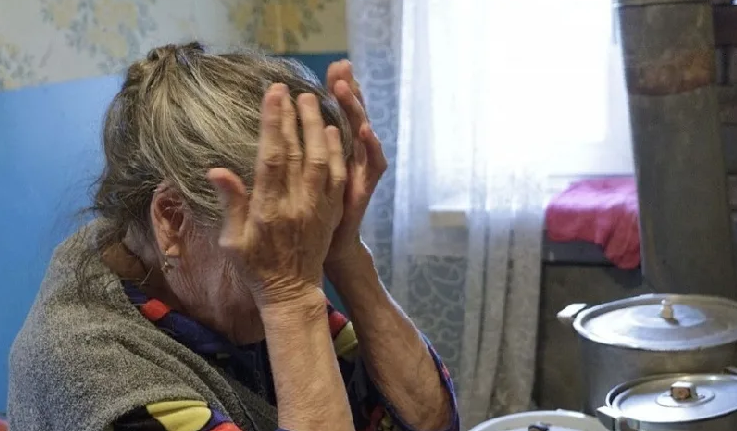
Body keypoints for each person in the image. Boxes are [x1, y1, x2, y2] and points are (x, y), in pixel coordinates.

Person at [7, 42, 458, 431]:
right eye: (284, 239)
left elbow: (430, 420)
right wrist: (288, 297)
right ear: (172, 218)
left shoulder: (242, 263)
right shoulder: (95, 374)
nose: (308, 268)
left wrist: (345, 250)